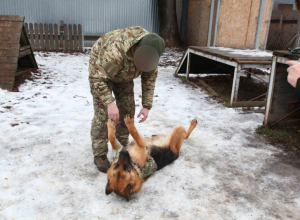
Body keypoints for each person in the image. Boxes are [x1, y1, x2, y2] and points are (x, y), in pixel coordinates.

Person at [88, 26, 165, 173]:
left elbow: (149, 79)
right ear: (137, 48)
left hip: (124, 73)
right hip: (101, 69)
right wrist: (110, 103)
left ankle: (122, 147)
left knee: (127, 110)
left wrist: (146, 105)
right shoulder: (115, 51)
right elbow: (98, 78)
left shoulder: (151, 53)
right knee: (103, 113)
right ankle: (99, 154)